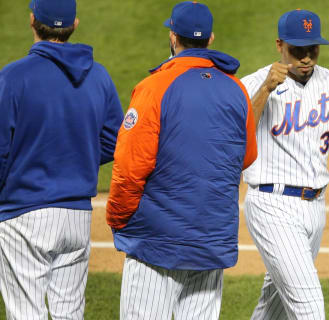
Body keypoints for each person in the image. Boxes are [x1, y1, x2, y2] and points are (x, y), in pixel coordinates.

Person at [105, 1, 257, 319]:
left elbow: (130, 168)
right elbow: (247, 157)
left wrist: (118, 219)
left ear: (173, 37)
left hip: (156, 245)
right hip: (212, 245)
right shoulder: (237, 89)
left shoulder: (155, 88)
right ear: (210, 39)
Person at [240, 9, 329, 320]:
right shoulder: (253, 83)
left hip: (314, 209)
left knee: (274, 306)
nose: (305, 58)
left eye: (312, 50)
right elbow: (234, 135)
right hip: (271, 205)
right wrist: (265, 90)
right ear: (279, 45)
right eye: (297, 51)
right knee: (309, 306)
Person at [0, 0, 124, 319]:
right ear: (74, 25)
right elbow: (114, 140)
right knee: (68, 313)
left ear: (32, 21)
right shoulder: (98, 76)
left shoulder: (13, 77)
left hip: (23, 212)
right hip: (77, 216)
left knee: (25, 312)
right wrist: (76, 157)